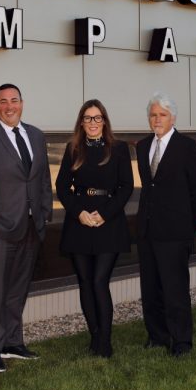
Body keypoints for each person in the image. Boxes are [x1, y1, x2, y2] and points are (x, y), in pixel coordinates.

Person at [0, 84, 53, 373]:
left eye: (14, 100)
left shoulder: (35, 135)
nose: (9, 106)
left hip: (31, 225)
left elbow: (42, 178)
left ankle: (12, 342)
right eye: (3, 102)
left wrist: (44, 213)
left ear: (22, 103)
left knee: (18, 289)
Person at [55, 99, 134, 358]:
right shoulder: (73, 149)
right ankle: (95, 337)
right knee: (85, 282)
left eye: (97, 118)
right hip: (80, 222)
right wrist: (79, 213)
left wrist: (105, 214)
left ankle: (106, 340)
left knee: (100, 281)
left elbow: (126, 187)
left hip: (108, 222)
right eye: (88, 118)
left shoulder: (119, 149)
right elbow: (63, 186)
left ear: (104, 121)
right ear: (81, 122)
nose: (92, 122)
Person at [135, 92, 196, 357]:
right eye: (153, 115)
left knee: (175, 289)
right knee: (150, 287)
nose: (157, 119)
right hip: (147, 230)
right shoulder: (142, 146)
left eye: (162, 115)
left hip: (175, 232)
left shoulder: (187, 147)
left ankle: (181, 341)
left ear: (172, 117)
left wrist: (190, 224)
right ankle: (157, 335)